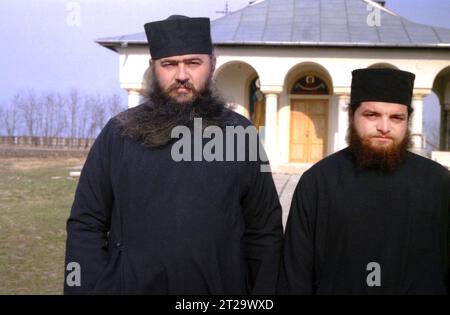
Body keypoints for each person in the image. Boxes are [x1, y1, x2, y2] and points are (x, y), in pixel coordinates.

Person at [64, 15, 283, 294]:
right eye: (169, 64)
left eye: (193, 63)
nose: (181, 75)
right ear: (153, 68)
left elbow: (265, 231)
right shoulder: (118, 133)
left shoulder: (241, 134)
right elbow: (86, 223)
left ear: (212, 64)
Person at [279, 68, 450, 294]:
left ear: (407, 120)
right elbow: (295, 274)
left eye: (396, 117)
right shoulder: (318, 182)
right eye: (372, 115)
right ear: (352, 116)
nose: (384, 127)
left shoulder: (438, 183)